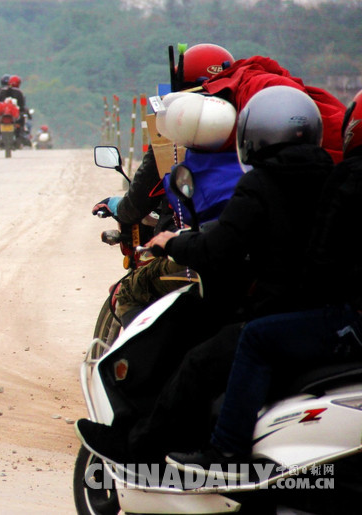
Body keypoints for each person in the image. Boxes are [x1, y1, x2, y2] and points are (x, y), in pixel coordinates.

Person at [76, 85, 336, 465]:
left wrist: (170, 243)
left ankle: (146, 449)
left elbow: (218, 248)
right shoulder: (330, 176)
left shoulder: (257, 182)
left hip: (277, 306)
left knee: (199, 357)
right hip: (315, 305)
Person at [166, 88, 362, 478]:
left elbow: (321, 261)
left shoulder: (349, 178)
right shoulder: (327, 172)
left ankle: (226, 452)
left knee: (257, 336)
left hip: (351, 318)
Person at [92, 43, 237, 326]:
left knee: (128, 293)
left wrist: (117, 206)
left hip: (196, 254)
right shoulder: (248, 132)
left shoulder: (176, 130)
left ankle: (135, 368)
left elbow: (138, 200)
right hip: (253, 258)